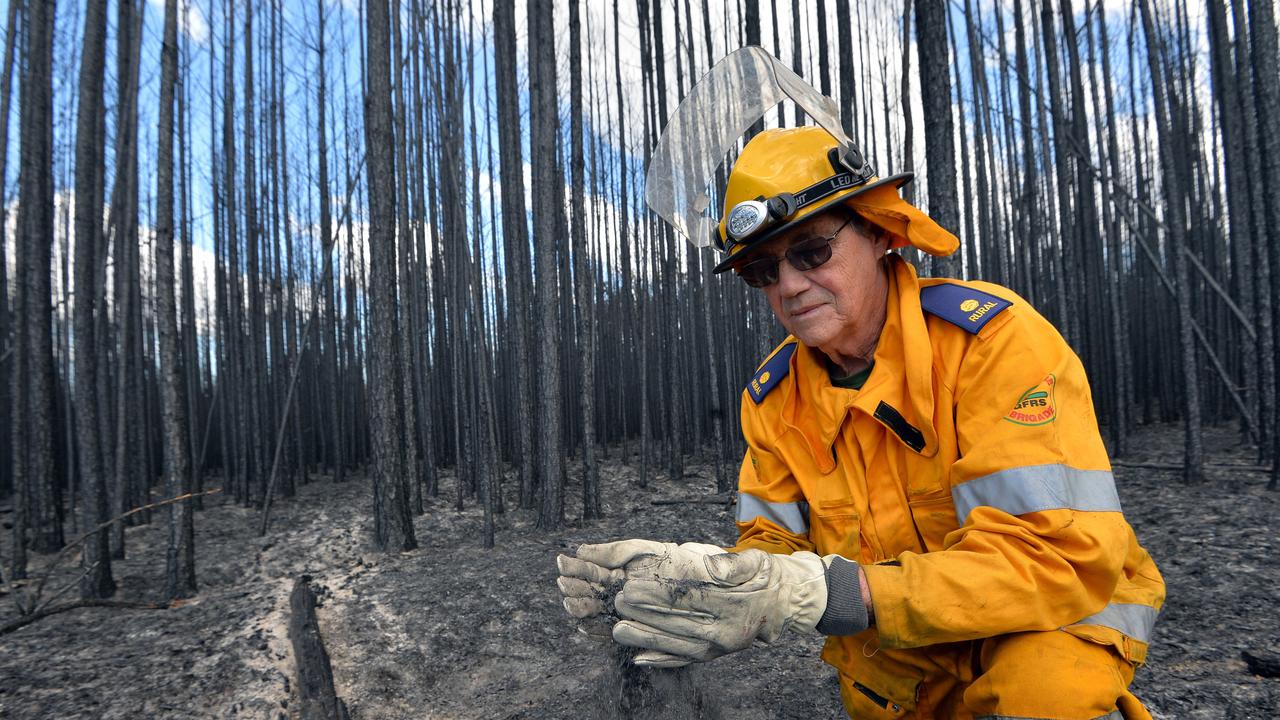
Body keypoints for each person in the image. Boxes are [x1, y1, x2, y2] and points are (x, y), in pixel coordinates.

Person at [558, 49, 1164, 719]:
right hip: (899, 660)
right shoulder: (774, 399)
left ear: (877, 231)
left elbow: (1055, 561)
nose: (788, 284)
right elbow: (773, 551)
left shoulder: (991, 343)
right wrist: (695, 579)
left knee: (1043, 699)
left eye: (813, 250)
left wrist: (831, 595)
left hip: (1050, 626)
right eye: (762, 270)